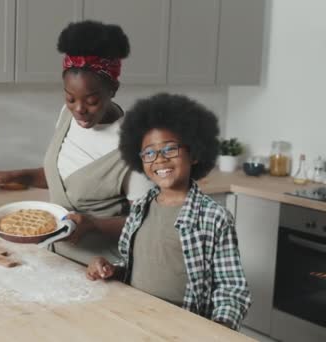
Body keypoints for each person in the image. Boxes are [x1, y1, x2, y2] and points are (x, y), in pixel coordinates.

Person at [0, 21, 153, 264]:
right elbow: (63, 177)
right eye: (70, 98)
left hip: (102, 266)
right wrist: (10, 177)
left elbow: (146, 223)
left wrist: (92, 224)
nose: (79, 110)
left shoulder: (134, 147)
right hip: (55, 255)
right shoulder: (67, 117)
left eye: (91, 101)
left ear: (113, 89)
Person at [86, 93, 251, 330]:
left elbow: (232, 288)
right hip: (134, 318)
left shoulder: (215, 218)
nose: (160, 160)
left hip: (182, 327)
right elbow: (133, 263)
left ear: (193, 154)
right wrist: (111, 269)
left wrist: (219, 327)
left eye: (170, 149)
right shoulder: (140, 207)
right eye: (149, 153)